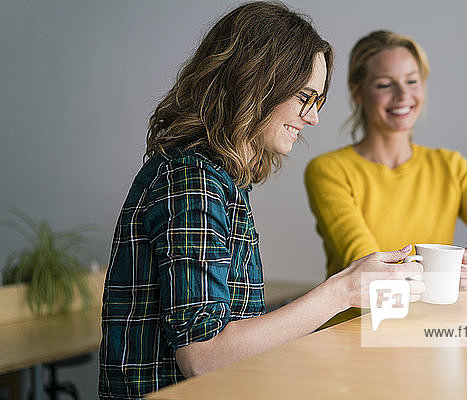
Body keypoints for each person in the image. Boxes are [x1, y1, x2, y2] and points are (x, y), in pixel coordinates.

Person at [99, 6, 425, 399]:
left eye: (317, 101)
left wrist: (349, 284)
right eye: (305, 96)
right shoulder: (193, 182)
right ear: (256, 82)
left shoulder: (217, 181)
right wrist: (342, 291)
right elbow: (204, 356)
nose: (312, 118)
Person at [304, 31, 467, 324]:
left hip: (426, 330)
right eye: (384, 84)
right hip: (357, 332)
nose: (403, 96)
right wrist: (440, 272)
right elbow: (368, 267)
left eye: (411, 81)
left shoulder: (451, 166)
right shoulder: (328, 170)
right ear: (358, 92)